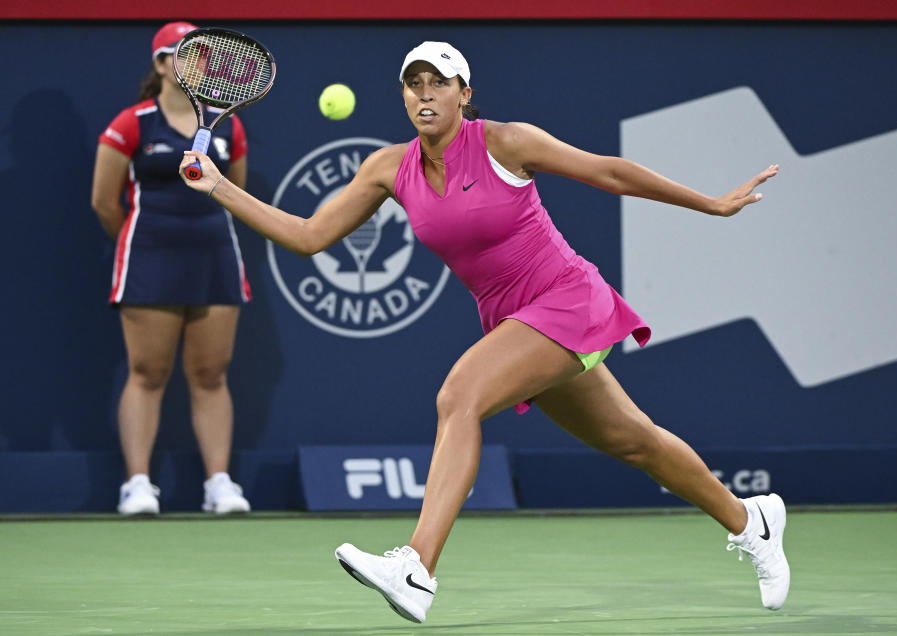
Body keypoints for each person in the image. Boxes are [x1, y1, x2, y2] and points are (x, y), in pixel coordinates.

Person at [179, 41, 789, 621]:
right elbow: (309, 237)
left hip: (567, 299)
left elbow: (609, 173)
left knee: (459, 395)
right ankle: (750, 521)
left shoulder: (506, 141)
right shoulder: (389, 168)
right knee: (636, 443)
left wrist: (710, 204)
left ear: (463, 93)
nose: (425, 94)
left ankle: (416, 567)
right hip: (514, 322)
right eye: (413, 84)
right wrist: (219, 186)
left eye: (438, 83)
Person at [92, 21, 252, 516]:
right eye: (187, 54)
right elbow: (103, 201)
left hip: (215, 258)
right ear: (161, 64)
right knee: (147, 371)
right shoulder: (131, 123)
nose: (200, 63)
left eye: (205, 55)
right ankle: (137, 485)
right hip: (149, 258)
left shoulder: (230, 125)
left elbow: (237, 198)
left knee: (210, 373)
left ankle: (219, 484)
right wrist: (144, 245)